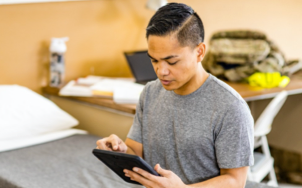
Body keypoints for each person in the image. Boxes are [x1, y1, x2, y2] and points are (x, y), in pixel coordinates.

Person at [96, 3, 254, 188]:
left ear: (200, 52)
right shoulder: (150, 93)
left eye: (172, 61)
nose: (161, 71)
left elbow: (236, 181)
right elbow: (136, 152)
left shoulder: (230, 107)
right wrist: (120, 151)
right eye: (154, 60)